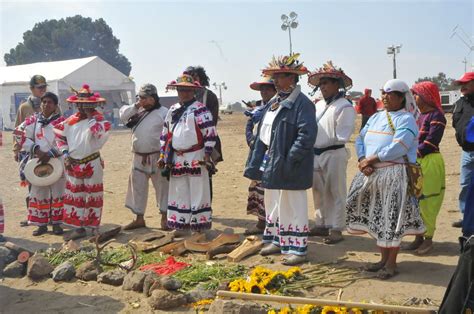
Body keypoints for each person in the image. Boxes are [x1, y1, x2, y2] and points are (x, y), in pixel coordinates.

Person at [346, 79, 425, 279]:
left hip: (394, 175)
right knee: (379, 218)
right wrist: (363, 159)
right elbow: (361, 138)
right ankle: (382, 260)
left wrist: (372, 159)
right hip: (372, 174)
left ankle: (391, 264)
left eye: (391, 94)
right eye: (384, 93)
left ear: (401, 97)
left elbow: (400, 146)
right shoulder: (375, 117)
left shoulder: (406, 119)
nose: (385, 97)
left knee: (392, 220)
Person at [244, 54, 317, 265]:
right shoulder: (275, 102)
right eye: (274, 76)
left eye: (280, 76)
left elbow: (306, 136)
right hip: (270, 160)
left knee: (293, 203)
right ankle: (277, 239)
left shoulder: (303, 104)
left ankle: (298, 249)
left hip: (290, 162)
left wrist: (290, 158)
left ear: (292, 78)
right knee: (273, 201)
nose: (275, 80)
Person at [158, 74, 217, 232]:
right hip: (177, 157)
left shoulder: (200, 109)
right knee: (179, 191)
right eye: (181, 89)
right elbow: (165, 134)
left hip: (196, 156)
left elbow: (210, 133)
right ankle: (180, 225)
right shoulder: (172, 110)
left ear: (193, 91)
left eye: (188, 90)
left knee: (198, 190)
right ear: (177, 91)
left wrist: (207, 154)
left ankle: (198, 228)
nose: (184, 93)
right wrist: (163, 155)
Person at [307, 61, 356, 244]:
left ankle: (336, 228)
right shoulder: (319, 105)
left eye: (326, 83)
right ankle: (321, 223)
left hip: (334, 152)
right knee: (318, 190)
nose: (323, 87)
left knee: (336, 191)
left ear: (337, 84)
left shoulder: (345, 106)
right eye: (321, 84)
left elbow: (342, 134)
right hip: (317, 152)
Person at [54, 84, 111, 239]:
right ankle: (78, 228)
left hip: (92, 162)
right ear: (76, 104)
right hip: (73, 162)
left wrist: (92, 117)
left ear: (94, 104)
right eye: (79, 104)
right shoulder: (70, 121)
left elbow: (100, 137)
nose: (82, 107)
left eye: (87, 104)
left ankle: (93, 227)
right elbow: (59, 137)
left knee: (94, 194)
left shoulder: (100, 121)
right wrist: (65, 154)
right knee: (75, 196)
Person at [401, 82, 446, 254]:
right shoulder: (418, 116)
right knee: (414, 201)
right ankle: (418, 237)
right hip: (416, 161)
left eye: (417, 95)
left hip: (429, 161)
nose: (414, 98)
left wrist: (408, 154)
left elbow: (430, 143)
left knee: (428, 201)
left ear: (427, 96)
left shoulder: (437, 116)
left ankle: (428, 240)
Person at [15, 92, 66, 236]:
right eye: (44, 102)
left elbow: (66, 140)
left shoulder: (62, 122)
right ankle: (41, 225)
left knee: (58, 191)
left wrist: (50, 153)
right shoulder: (32, 120)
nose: (46, 104)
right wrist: (36, 149)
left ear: (55, 106)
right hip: (38, 160)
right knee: (38, 192)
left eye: (50, 102)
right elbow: (19, 134)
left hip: (56, 160)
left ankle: (57, 224)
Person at [120, 84, 169, 231]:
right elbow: (123, 116)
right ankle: (139, 218)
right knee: (137, 188)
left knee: (162, 187)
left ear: (154, 98)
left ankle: (165, 218)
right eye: (142, 98)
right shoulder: (134, 111)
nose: (145, 101)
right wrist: (137, 105)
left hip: (158, 156)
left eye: (148, 98)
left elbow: (169, 135)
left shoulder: (164, 112)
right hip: (138, 156)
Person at [184, 66, 223, 200]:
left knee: (206, 175)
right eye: (189, 77)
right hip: (186, 144)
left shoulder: (210, 97)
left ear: (201, 78)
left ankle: (206, 207)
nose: (192, 80)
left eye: (195, 77)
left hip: (206, 142)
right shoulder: (183, 97)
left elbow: (211, 122)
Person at [244, 76, 276, 235]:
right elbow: (249, 127)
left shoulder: (278, 107)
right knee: (257, 186)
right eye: (262, 89)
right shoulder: (256, 109)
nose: (264, 92)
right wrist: (251, 141)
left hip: (269, 152)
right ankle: (261, 222)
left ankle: (272, 224)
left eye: (268, 88)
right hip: (256, 152)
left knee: (269, 188)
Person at [452, 72, 474, 228]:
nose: (462, 86)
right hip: (466, 151)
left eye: (466, 83)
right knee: (465, 184)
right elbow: (455, 123)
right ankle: (465, 215)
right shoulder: (460, 103)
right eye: (461, 84)